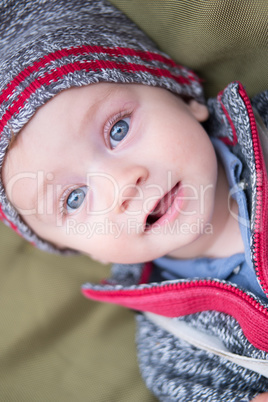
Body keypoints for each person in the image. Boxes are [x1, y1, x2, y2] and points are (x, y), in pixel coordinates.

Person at [0, 0, 267, 400]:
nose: (123, 183)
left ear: (183, 97)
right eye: (74, 199)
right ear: (75, 249)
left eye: (119, 129)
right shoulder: (174, 346)